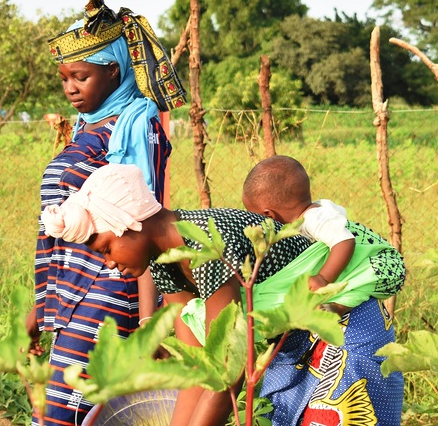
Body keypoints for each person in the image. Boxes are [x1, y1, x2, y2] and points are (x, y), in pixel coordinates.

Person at [41, 163, 403, 426]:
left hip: (343, 323)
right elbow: (198, 365)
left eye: (105, 248)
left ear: (128, 223)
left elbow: (228, 365)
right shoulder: (166, 263)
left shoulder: (207, 244)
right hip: (293, 338)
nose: (108, 263)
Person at [29, 0, 186, 425]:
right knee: (63, 413)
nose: (70, 88)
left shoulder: (135, 125)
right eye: (64, 79)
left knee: (74, 413)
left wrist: (151, 322)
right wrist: (39, 308)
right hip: (69, 293)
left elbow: (145, 222)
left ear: (113, 70)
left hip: (107, 291)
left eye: (81, 76)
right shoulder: (87, 129)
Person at [241, 155, 406, 316]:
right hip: (374, 263)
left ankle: (337, 309)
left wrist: (323, 278)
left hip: (385, 265)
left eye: (254, 215)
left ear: (269, 215)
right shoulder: (309, 215)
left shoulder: (315, 218)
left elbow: (345, 241)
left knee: (357, 285)